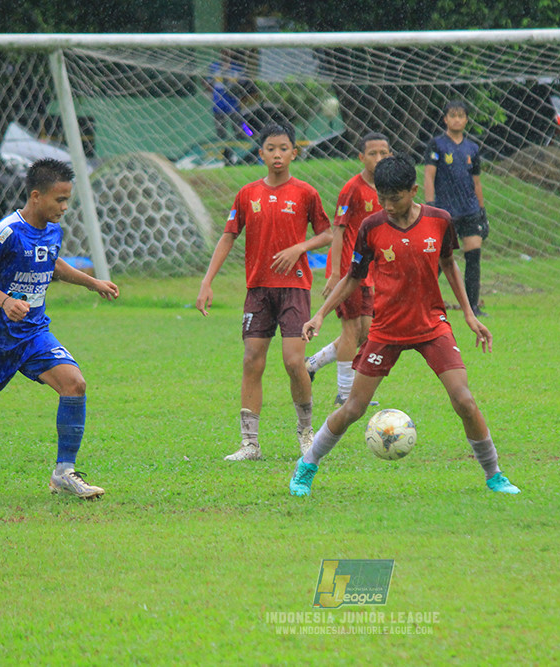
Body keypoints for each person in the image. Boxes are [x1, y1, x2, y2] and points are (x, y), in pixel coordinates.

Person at [289, 155, 519, 497]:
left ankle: (494, 474)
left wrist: (469, 315)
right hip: (387, 330)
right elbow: (353, 278)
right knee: (353, 408)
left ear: (413, 191)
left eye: (395, 197)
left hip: (431, 325)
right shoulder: (372, 227)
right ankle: (306, 466)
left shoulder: (439, 221)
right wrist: (320, 314)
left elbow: (450, 266)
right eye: (382, 198)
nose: (388, 205)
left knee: (464, 401)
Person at [0, 158, 120, 499]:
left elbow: (52, 263)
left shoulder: (52, 231)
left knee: (74, 384)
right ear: (35, 196)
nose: (64, 207)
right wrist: (4, 302)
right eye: (59, 200)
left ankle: (63, 474)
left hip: (33, 333)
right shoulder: (5, 233)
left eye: (67, 200)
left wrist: (92, 282)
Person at [196, 123, 334, 461]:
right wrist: (207, 281)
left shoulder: (305, 193)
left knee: (293, 361)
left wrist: (299, 247)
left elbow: (328, 234)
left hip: (294, 287)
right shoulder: (247, 194)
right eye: (271, 148)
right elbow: (228, 235)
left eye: (283, 148)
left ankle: (306, 435)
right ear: (261, 153)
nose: (277, 154)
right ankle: (250, 444)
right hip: (258, 290)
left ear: (294, 153)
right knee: (251, 361)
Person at [305, 132, 391, 405]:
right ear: (361, 157)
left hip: (370, 270)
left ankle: (313, 363)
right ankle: (345, 392)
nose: (379, 158)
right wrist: (334, 274)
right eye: (373, 154)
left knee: (365, 332)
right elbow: (339, 231)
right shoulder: (352, 188)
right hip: (347, 267)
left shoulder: (388, 188)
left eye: (384, 153)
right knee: (352, 330)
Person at [423, 100, 489, 316]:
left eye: (461, 116)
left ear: (466, 120)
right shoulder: (437, 145)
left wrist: (482, 211)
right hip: (445, 211)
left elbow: (476, 181)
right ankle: (422, 302)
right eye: (453, 115)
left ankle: (472, 306)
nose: (457, 119)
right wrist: (430, 206)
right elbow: (429, 176)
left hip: (470, 209)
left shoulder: (473, 148)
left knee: (473, 256)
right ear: (445, 119)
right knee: (440, 259)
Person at [207, 50, 248, 164]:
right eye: (224, 54)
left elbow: (244, 83)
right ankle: (223, 155)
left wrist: (235, 87)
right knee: (220, 130)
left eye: (228, 55)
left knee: (240, 126)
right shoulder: (214, 66)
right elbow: (207, 82)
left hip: (233, 102)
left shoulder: (237, 68)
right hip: (218, 103)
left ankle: (249, 136)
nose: (226, 57)